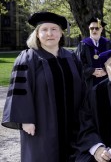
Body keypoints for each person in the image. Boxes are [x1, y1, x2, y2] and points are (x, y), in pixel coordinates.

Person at [1, 12, 85, 162]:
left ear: (61, 34)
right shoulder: (28, 58)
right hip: (42, 123)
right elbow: (20, 90)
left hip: (73, 122)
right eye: (44, 29)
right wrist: (25, 120)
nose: (49, 33)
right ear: (37, 35)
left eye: (54, 29)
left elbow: (83, 87)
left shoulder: (71, 57)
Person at [76, 17, 111, 89]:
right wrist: (92, 71)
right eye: (91, 28)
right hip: (89, 82)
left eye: (97, 28)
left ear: (101, 29)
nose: (94, 30)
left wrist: (105, 70)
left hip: (107, 79)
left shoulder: (108, 43)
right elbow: (78, 63)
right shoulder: (83, 44)